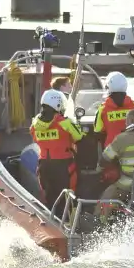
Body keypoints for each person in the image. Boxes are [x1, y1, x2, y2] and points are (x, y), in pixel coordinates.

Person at [30, 89, 84, 218]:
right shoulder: (65, 122)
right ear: (58, 105)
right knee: (68, 195)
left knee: (49, 195)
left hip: (44, 165)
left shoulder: (35, 124)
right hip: (64, 166)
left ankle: (51, 221)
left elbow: (35, 139)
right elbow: (79, 137)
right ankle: (69, 222)